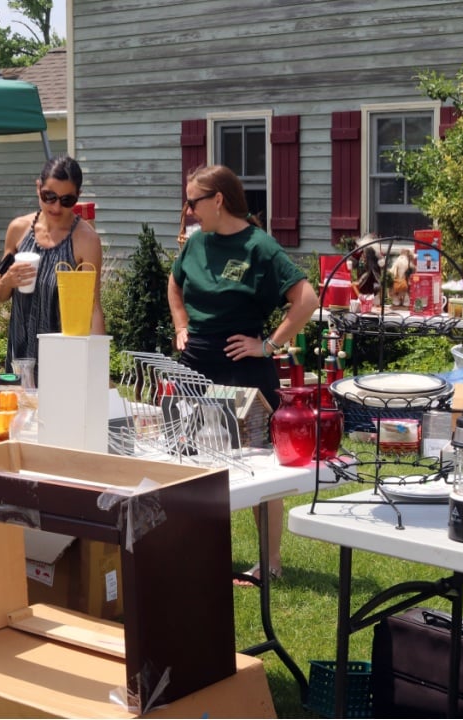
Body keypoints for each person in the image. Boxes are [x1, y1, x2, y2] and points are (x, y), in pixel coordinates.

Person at [167, 164, 320, 585]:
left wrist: (268, 345)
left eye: (194, 201)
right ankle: (197, 551)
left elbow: (305, 299)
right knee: (193, 459)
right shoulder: (196, 243)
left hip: (244, 371)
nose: (189, 211)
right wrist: (181, 325)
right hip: (195, 366)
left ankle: (269, 563)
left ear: (218, 200)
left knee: (259, 466)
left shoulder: (259, 246)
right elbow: (174, 285)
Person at [0, 156, 105, 371]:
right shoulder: (18, 230)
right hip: (21, 355)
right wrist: (7, 281)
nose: (56, 207)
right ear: (38, 187)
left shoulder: (86, 240)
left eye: (66, 200)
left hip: (64, 357)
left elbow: (93, 307)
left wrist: (98, 367)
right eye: (49, 196)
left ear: (78, 197)